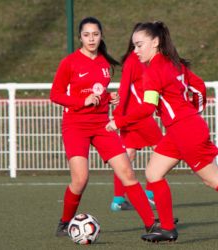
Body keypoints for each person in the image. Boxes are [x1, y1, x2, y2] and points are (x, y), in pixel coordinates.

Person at [106, 21, 218, 243]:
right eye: (134, 46)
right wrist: (194, 112)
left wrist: (119, 122)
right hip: (181, 130)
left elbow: (146, 110)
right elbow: (199, 87)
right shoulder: (174, 63)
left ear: (155, 42)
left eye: (139, 45)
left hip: (186, 132)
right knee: (153, 173)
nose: (135, 51)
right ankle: (167, 229)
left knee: (213, 179)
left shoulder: (153, 72)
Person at [49, 17, 156, 238]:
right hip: (75, 126)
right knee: (80, 179)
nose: (91, 39)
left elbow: (98, 92)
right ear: (80, 37)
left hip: (101, 125)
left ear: (101, 36)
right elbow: (55, 95)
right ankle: (65, 222)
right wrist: (82, 102)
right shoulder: (69, 62)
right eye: (87, 35)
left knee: (127, 172)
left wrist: (110, 98)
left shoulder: (106, 64)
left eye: (95, 34)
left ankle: (151, 223)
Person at [110, 34, 163, 212]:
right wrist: (118, 117)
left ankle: (118, 199)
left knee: (127, 155)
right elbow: (124, 88)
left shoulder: (146, 60)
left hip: (131, 115)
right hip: (138, 116)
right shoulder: (135, 61)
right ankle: (150, 194)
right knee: (162, 150)